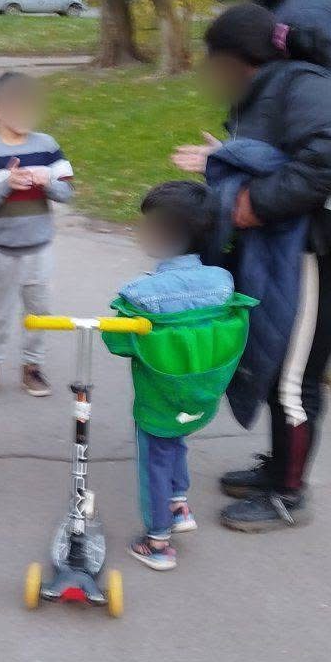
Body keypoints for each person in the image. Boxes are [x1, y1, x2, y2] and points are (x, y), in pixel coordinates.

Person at [172, 2, 331, 532]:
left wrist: (252, 204)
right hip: (295, 252)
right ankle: (278, 469)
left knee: (295, 380)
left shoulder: (302, 86)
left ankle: (288, 494)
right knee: (280, 368)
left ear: (237, 60)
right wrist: (227, 157)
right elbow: (281, 154)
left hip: (324, 257)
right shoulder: (271, 90)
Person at [112, 182, 235, 571]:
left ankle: (158, 540)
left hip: (158, 394)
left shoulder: (140, 292)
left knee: (155, 458)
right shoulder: (222, 282)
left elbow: (118, 343)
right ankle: (179, 504)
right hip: (200, 390)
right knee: (176, 441)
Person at [0, 71, 73, 398]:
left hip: (39, 249)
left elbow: (66, 193)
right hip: (2, 249)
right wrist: (6, 185)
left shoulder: (47, 147)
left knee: (38, 312)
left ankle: (32, 366)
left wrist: (46, 183)